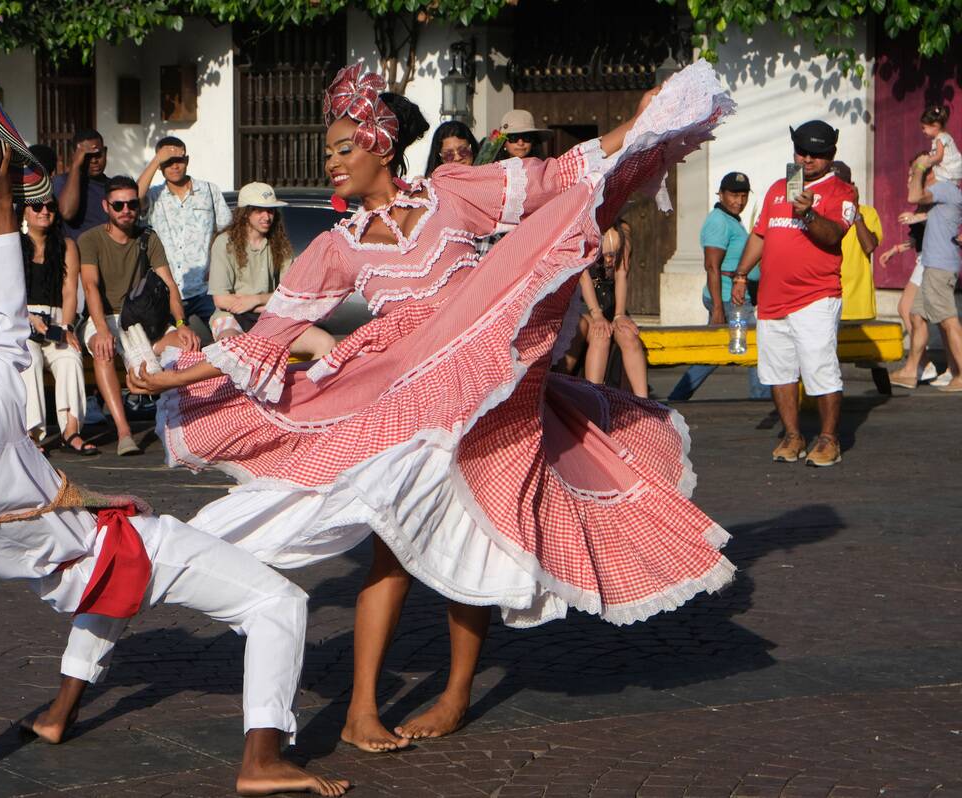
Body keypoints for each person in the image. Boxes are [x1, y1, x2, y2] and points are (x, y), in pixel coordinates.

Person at [122, 62, 735, 751]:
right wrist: (177, 382)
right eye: (327, 153)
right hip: (405, 395)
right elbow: (271, 336)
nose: (330, 163)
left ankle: (453, 696)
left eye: (341, 149)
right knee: (393, 543)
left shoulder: (452, 194)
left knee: (470, 528)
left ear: (380, 146)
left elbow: (551, 181)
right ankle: (360, 710)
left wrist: (637, 124)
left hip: (482, 384)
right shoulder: (336, 245)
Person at [0, 138, 349, 798]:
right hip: (120, 553)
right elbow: (4, 328)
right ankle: (264, 755)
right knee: (278, 603)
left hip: (73, 582)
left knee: (97, 589)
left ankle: (59, 715)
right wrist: (1, 201)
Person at [730, 120, 855, 467]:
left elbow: (833, 236)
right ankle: (793, 435)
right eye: (801, 151)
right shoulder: (775, 190)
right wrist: (741, 275)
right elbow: (760, 235)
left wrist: (809, 213)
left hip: (816, 296)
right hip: (771, 299)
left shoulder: (842, 192)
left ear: (831, 154)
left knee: (820, 367)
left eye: (816, 153)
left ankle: (829, 439)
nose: (807, 159)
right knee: (777, 371)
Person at [79, 175, 198, 455]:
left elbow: (169, 284)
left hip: (144, 317)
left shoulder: (149, 236)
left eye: (132, 204)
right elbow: (90, 286)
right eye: (118, 205)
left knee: (188, 346)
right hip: (106, 315)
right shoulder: (90, 239)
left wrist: (181, 323)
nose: (126, 211)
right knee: (103, 348)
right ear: (106, 206)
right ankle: (124, 432)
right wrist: (101, 328)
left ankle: (182, 424)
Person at [668, 172, 769, 401]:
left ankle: (677, 396)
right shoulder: (718, 222)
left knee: (717, 350)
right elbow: (712, 267)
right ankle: (762, 399)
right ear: (721, 194)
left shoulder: (732, 220)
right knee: (754, 344)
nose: (739, 201)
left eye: (743, 196)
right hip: (727, 297)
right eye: (733, 195)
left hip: (734, 297)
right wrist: (717, 309)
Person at [208, 181, 335, 358]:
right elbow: (221, 300)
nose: (267, 216)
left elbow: (290, 295)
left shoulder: (280, 245)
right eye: (259, 210)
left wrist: (256, 300)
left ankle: (304, 386)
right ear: (245, 213)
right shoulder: (224, 242)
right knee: (232, 347)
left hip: (270, 315)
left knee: (325, 343)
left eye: (270, 210)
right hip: (232, 316)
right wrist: (265, 303)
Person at [18, 195, 97, 454]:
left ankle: (71, 430)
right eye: (37, 206)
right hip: (22, 319)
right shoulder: (15, 245)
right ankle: (31, 433)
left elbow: (69, 292)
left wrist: (67, 327)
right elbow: (7, 292)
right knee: (30, 361)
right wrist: (28, 318)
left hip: (56, 318)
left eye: (50, 207)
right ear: (25, 212)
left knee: (70, 357)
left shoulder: (66, 245)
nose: (44, 212)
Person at [137, 136, 232, 335]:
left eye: (178, 160)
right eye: (167, 162)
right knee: (169, 350)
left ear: (187, 160)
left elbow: (228, 233)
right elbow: (134, 198)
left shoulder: (209, 190)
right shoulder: (154, 195)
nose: (174, 166)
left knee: (228, 334)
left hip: (204, 290)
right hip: (165, 291)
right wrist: (155, 160)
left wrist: (217, 265)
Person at [889, 151, 962, 392]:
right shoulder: (942, 193)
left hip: (940, 266)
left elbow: (913, 195)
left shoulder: (943, 188)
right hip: (932, 263)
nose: (912, 176)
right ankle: (911, 371)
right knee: (916, 315)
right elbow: (923, 211)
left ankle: (959, 372)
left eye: (917, 172)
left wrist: (920, 166)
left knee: (949, 322)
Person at [574, 220, 649, 397]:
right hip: (584, 303)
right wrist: (597, 315)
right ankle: (593, 397)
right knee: (600, 335)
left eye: (612, 256)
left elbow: (621, 274)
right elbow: (584, 278)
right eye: (605, 255)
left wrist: (620, 314)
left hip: (610, 301)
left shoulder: (623, 231)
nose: (609, 261)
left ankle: (643, 400)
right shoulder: (582, 230)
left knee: (628, 334)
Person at [832, 162, 882, 322]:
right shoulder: (820, 212)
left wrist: (855, 211)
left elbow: (869, 246)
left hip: (857, 306)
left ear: (851, 186)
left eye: (840, 185)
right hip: (826, 304)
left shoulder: (868, 213)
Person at [53, 129, 109, 239]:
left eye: (98, 154)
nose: (94, 161)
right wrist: (75, 166)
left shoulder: (112, 186)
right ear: (75, 156)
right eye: (87, 156)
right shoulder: (62, 181)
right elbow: (67, 212)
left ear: (105, 151)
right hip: (77, 253)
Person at [921, 104, 962, 182]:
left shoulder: (940, 139)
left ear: (935, 126)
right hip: (952, 171)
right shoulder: (944, 137)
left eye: (924, 128)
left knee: (930, 179)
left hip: (949, 170)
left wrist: (926, 162)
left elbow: (939, 157)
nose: (923, 131)